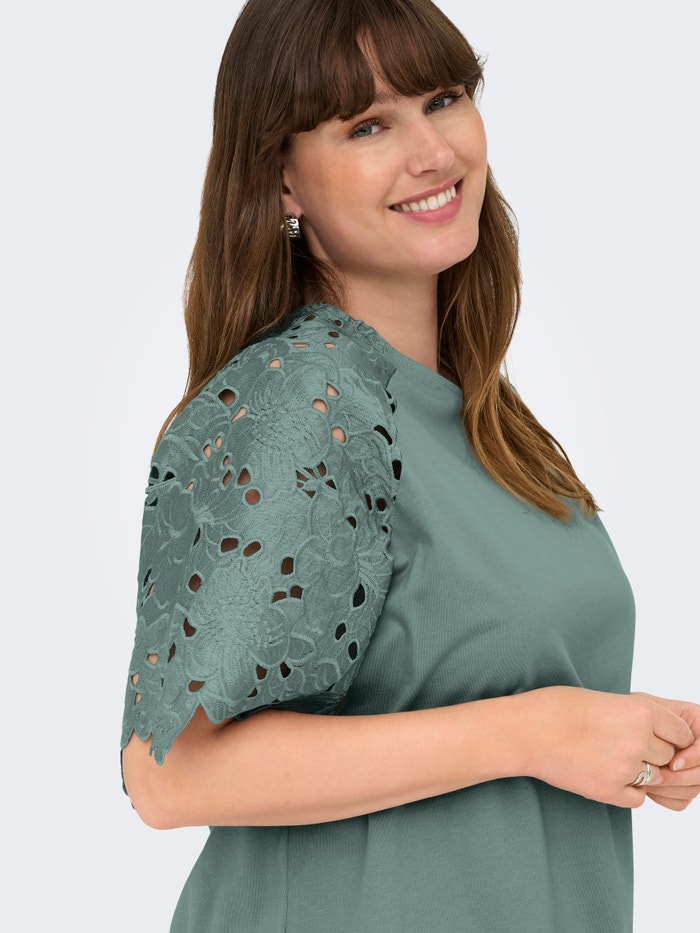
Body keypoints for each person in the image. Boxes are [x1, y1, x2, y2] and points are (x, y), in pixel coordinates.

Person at [120, 1, 700, 930]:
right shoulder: (301, 403)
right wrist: (535, 732)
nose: (433, 151)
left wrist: (627, 740)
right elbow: (168, 771)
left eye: (444, 98)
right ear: (282, 179)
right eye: (368, 126)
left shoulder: (478, 414)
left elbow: (481, 682)